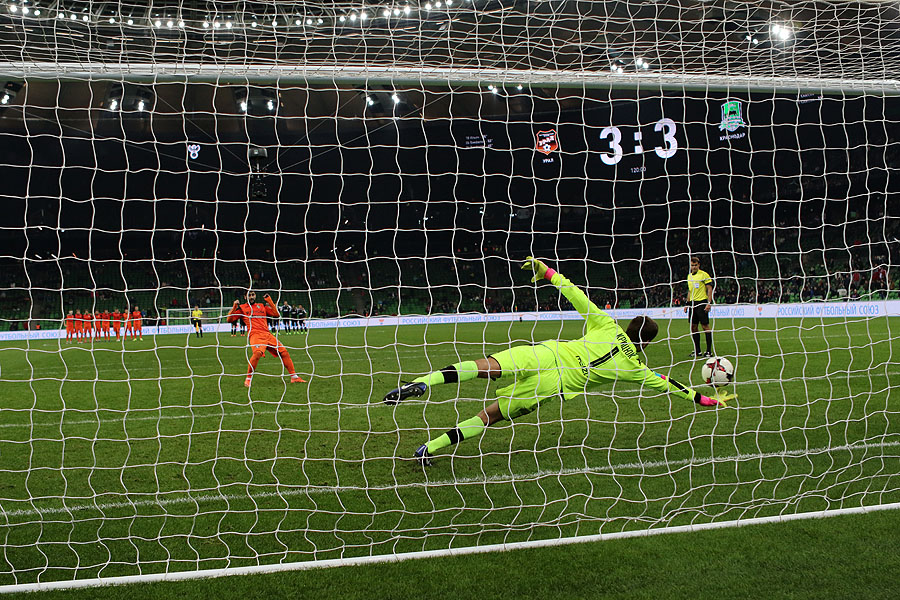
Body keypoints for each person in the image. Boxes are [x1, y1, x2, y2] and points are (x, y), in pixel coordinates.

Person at [384, 257, 732, 467]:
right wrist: (708, 399)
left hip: (548, 352)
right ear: (647, 343)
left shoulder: (606, 323)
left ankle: (421, 383)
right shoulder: (636, 368)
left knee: (485, 365)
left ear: (629, 325)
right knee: (488, 416)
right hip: (556, 383)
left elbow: (576, 295)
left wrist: (547, 271)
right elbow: (673, 386)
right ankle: (428, 448)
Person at [227, 290, 306, 387]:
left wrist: (269, 301)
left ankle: (294, 377)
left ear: (255, 296)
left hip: (267, 334)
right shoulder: (242, 308)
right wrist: (234, 306)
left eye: (253, 295)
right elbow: (229, 319)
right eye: (249, 295)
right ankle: (248, 379)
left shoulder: (261, 306)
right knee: (257, 353)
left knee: (284, 352)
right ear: (245, 297)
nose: (251, 297)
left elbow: (276, 314)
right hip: (255, 335)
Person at [684, 256, 714, 358]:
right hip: (692, 304)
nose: (694, 267)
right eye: (692, 265)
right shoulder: (689, 276)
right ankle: (697, 351)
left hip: (701, 302)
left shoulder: (704, 275)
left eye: (696, 265)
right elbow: (690, 291)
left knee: (705, 326)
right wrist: (687, 304)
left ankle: (709, 351)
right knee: (693, 327)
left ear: (699, 265)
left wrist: (709, 303)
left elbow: (709, 289)